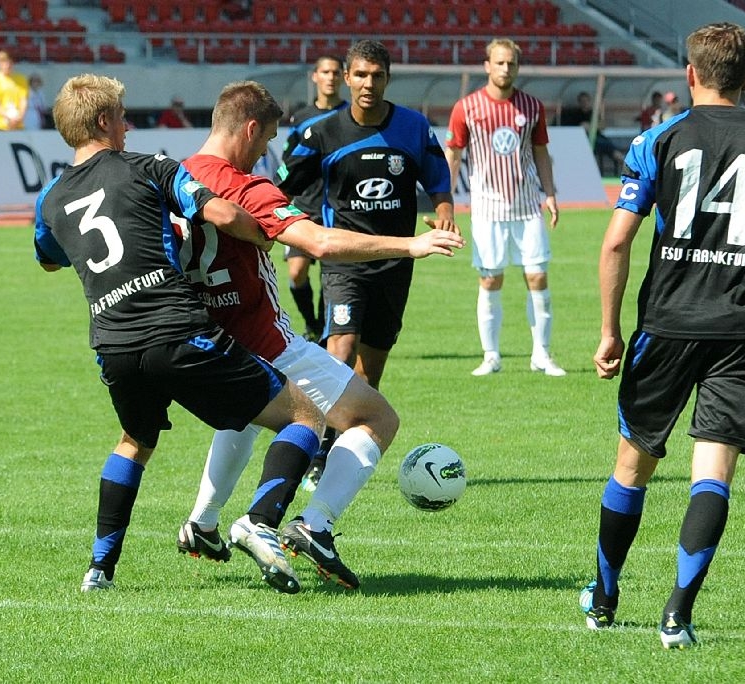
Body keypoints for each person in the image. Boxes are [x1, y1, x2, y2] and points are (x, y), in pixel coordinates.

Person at [579, 22, 745, 648]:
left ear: (689, 75)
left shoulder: (656, 141)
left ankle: (605, 597)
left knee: (632, 468)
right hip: (744, 331)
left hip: (666, 325)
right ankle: (677, 616)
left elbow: (617, 240)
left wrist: (610, 330)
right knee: (711, 474)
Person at [34, 73, 326, 594]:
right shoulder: (148, 167)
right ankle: (259, 522)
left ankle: (99, 569)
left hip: (114, 345)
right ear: (105, 122)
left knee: (134, 441)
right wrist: (263, 235)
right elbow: (220, 210)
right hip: (178, 332)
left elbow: (48, 260)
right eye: (123, 117)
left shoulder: (51, 201)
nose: (127, 126)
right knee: (304, 414)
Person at [176, 80, 464, 590]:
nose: (265, 152)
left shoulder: (170, 179)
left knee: (244, 415)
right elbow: (321, 243)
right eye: (264, 140)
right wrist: (411, 244)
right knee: (376, 417)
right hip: (269, 341)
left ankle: (201, 522)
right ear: (247, 129)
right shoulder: (243, 186)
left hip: (208, 342)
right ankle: (314, 525)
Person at [278, 40, 456, 488]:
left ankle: (341, 448)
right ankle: (315, 449)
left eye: (377, 76)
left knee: (370, 370)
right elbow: (284, 185)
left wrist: (445, 206)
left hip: (396, 261)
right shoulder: (321, 132)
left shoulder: (413, 128)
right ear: (346, 76)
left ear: (388, 78)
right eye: (360, 75)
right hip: (345, 260)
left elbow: (438, 180)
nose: (367, 84)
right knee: (340, 346)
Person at [444, 38, 565, 378]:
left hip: (527, 206)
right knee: (490, 280)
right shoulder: (466, 108)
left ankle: (541, 354)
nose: (505, 69)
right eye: (499, 63)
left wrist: (550, 192)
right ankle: (491, 356)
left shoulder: (532, 106)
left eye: (511, 63)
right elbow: (453, 154)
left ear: (517, 66)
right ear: (487, 66)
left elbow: (541, 151)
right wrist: (445, 200)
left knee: (538, 277)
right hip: (486, 208)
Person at [282, 55, 348, 342]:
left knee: (331, 276)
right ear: (315, 76)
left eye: (335, 72)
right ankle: (311, 323)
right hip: (305, 204)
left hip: (339, 204)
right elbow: (289, 161)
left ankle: (323, 330)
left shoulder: (353, 114)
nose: (330, 77)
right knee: (297, 272)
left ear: (343, 77)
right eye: (325, 71)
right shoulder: (301, 118)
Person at [559, 90, 624, 176]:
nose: (584, 103)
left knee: (607, 145)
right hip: (584, 140)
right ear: (579, 102)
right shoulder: (575, 114)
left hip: (598, 138)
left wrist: (591, 126)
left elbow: (602, 126)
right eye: (582, 101)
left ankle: (622, 161)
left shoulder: (593, 113)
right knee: (601, 145)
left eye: (586, 101)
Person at [0, 50, 28, 131]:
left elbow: (23, 100)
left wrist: (20, 117)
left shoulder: (21, 80)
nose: (7, 66)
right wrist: (7, 117)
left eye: (9, 63)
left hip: (17, 124)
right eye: (4, 63)